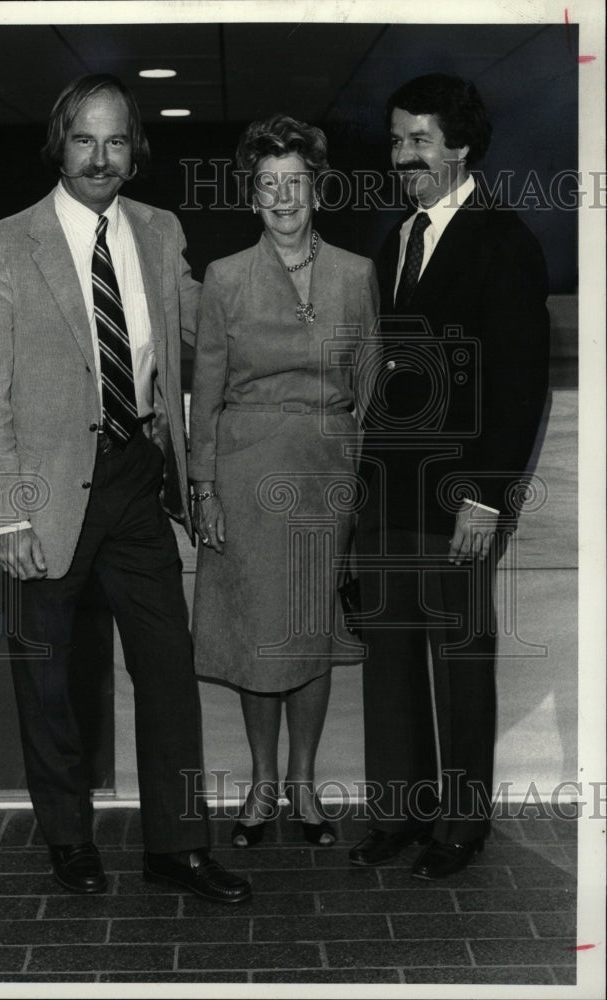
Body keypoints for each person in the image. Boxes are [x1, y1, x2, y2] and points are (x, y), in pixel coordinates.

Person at [0, 74, 251, 904]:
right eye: (84, 139)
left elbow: (206, 330)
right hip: (44, 493)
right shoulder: (2, 246)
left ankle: (176, 848)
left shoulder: (159, 231)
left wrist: (291, 280)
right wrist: (5, 514)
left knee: (166, 670)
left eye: (116, 140)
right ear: (60, 143)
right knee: (48, 680)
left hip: (135, 478)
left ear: (134, 152)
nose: (99, 156)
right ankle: (68, 838)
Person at [351, 74, 550, 878]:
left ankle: (462, 828)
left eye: (420, 139)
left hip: (458, 497)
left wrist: (484, 496)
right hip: (387, 494)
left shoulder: (503, 239)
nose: (404, 155)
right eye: (397, 139)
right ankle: (402, 814)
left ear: (460, 146)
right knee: (390, 663)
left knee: (459, 665)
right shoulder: (395, 239)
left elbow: (519, 382)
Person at [188, 114, 380, 848]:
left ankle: (303, 784)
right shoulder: (226, 278)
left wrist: (360, 480)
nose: (281, 198)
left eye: (293, 182)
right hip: (243, 475)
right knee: (255, 632)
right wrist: (204, 489)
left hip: (324, 474)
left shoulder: (355, 274)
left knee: (309, 631)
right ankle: (261, 783)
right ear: (252, 194)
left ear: (316, 188)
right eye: (266, 185)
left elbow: (368, 387)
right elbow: (204, 393)